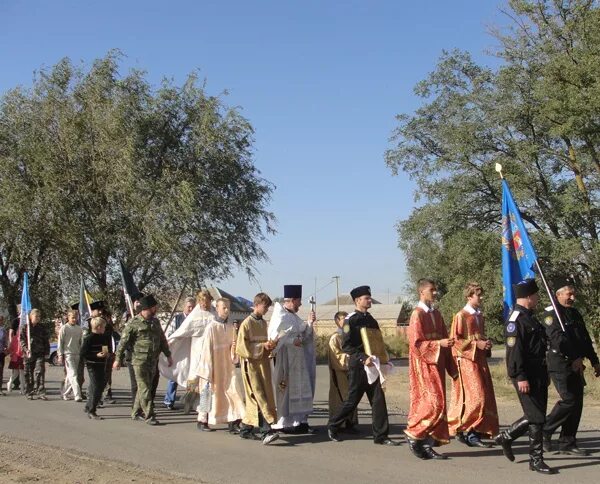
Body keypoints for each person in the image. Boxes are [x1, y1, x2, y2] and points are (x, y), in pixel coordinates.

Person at [494, 279, 555, 474]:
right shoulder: (516, 321)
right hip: (525, 374)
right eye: (536, 295)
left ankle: (507, 437)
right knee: (536, 418)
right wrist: (520, 376)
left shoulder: (531, 317)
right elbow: (515, 352)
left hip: (538, 372)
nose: (538, 298)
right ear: (529, 296)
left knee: (536, 415)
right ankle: (535, 460)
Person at [327, 285, 399, 446]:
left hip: (373, 365)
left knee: (378, 400)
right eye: (366, 298)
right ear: (357, 300)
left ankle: (381, 436)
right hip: (359, 366)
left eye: (369, 297)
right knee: (352, 401)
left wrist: (383, 357)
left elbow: (377, 342)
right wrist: (362, 358)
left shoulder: (371, 319)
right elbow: (346, 346)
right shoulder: (348, 320)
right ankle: (333, 425)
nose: (369, 300)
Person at [543, 279, 600, 456]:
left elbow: (583, 340)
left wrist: (594, 360)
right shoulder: (551, 315)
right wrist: (573, 358)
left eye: (573, 294)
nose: (572, 297)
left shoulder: (574, 314)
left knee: (577, 404)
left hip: (577, 365)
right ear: (558, 295)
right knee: (569, 400)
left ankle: (567, 442)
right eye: (569, 294)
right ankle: (545, 430)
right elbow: (557, 341)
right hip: (560, 364)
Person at [405, 278, 458, 460]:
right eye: (432, 290)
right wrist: (438, 344)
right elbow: (416, 344)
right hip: (424, 366)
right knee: (431, 404)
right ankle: (414, 434)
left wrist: (452, 366)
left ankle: (427, 444)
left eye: (436, 290)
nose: (435, 293)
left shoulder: (436, 314)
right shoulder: (417, 315)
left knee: (440, 404)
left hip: (438, 365)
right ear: (422, 292)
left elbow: (445, 340)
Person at [448, 283, 499, 447]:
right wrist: (477, 345)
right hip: (466, 363)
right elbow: (455, 342)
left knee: (485, 395)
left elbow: (479, 337)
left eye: (482, 294)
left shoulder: (479, 316)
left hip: (480, 361)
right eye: (478, 295)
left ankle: (474, 430)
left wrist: (486, 343)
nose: (482, 298)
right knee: (476, 396)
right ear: (469, 297)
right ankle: (470, 432)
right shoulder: (461, 316)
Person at [114, 294, 173, 425]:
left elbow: (162, 340)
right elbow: (123, 342)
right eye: (154, 307)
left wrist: (168, 355)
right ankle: (149, 415)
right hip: (139, 361)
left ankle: (135, 412)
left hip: (153, 360)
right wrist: (117, 359)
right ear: (147, 308)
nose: (156, 309)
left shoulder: (155, 322)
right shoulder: (133, 323)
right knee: (145, 387)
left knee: (145, 387)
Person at [268, 284, 317, 434]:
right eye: (299, 301)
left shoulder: (294, 317)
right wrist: (291, 341)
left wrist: (309, 323)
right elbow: (275, 337)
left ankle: (300, 421)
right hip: (286, 360)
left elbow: (303, 335)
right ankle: (284, 422)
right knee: (287, 390)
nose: (300, 305)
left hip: (298, 360)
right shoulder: (280, 316)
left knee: (301, 389)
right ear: (292, 300)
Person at [236, 292, 280, 445]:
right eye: (265, 306)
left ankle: (245, 429)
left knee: (263, 395)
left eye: (268, 306)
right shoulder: (247, 323)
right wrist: (263, 346)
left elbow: (264, 344)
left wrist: (270, 345)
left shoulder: (263, 323)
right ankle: (266, 432)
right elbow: (241, 348)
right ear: (256, 305)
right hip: (251, 367)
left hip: (263, 365)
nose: (267, 309)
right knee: (258, 396)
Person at [196, 298, 245, 432]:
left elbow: (234, 347)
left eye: (228, 308)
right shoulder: (211, 327)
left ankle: (233, 421)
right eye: (224, 308)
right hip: (213, 367)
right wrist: (207, 370)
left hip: (227, 367)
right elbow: (206, 350)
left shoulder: (230, 327)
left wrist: (234, 350)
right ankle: (202, 420)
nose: (227, 310)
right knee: (208, 393)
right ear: (217, 309)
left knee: (233, 391)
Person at [327, 311, 358, 431]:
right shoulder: (335, 337)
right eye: (343, 319)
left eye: (347, 318)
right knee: (343, 396)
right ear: (337, 321)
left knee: (353, 395)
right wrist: (350, 358)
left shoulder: (350, 335)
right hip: (340, 372)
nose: (346, 321)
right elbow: (336, 356)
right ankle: (339, 423)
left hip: (352, 370)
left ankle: (351, 422)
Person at [163, 296, 195, 410]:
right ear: (184, 307)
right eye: (189, 307)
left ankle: (189, 402)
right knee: (175, 375)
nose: (191, 309)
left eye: (192, 307)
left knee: (191, 377)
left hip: (190, 351)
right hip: (177, 351)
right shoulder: (177, 319)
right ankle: (169, 400)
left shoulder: (195, 320)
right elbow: (170, 333)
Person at [81, 317, 111, 419]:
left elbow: (106, 349)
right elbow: (83, 353)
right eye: (103, 327)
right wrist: (96, 355)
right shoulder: (89, 338)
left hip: (102, 364)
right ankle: (92, 410)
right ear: (98, 327)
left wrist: (107, 354)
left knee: (101, 385)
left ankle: (88, 405)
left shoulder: (104, 337)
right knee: (96, 386)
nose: (104, 329)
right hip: (92, 365)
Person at [20, 309, 50, 400]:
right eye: (36, 316)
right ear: (31, 316)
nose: (38, 318)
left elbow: (46, 340)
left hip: (39, 353)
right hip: (28, 354)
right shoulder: (25, 327)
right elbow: (21, 340)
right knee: (28, 373)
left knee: (40, 371)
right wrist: (25, 349)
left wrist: (47, 352)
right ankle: (29, 391)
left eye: (39, 316)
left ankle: (41, 391)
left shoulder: (41, 327)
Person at [58, 309, 84, 401]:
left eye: (75, 318)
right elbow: (60, 342)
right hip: (68, 354)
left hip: (77, 354)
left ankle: (64, 393)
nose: (74, 319)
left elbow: (81, 342)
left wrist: (82, 353)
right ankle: (77, 394)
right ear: (68, 317)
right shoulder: (64, 328)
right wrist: (60, 355)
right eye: (72, 318)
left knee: (70, 375)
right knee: (73, 374)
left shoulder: (79, 329)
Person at [7, 317, 25, 394]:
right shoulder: (15, 338)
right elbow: (11, 347)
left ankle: (22, 388)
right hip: (17, 356)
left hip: (22, 355)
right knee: (17, 373)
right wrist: (11, 353)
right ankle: (10, 383)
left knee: (21, 372)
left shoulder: (24, 337)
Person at [0, 316, 7, 395]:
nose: (1, 322)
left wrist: (6, 348)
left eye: (1, 320)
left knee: (0, 370)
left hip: (1, 353)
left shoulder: (3, 330)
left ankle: (0, 389)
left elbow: (5, 341)